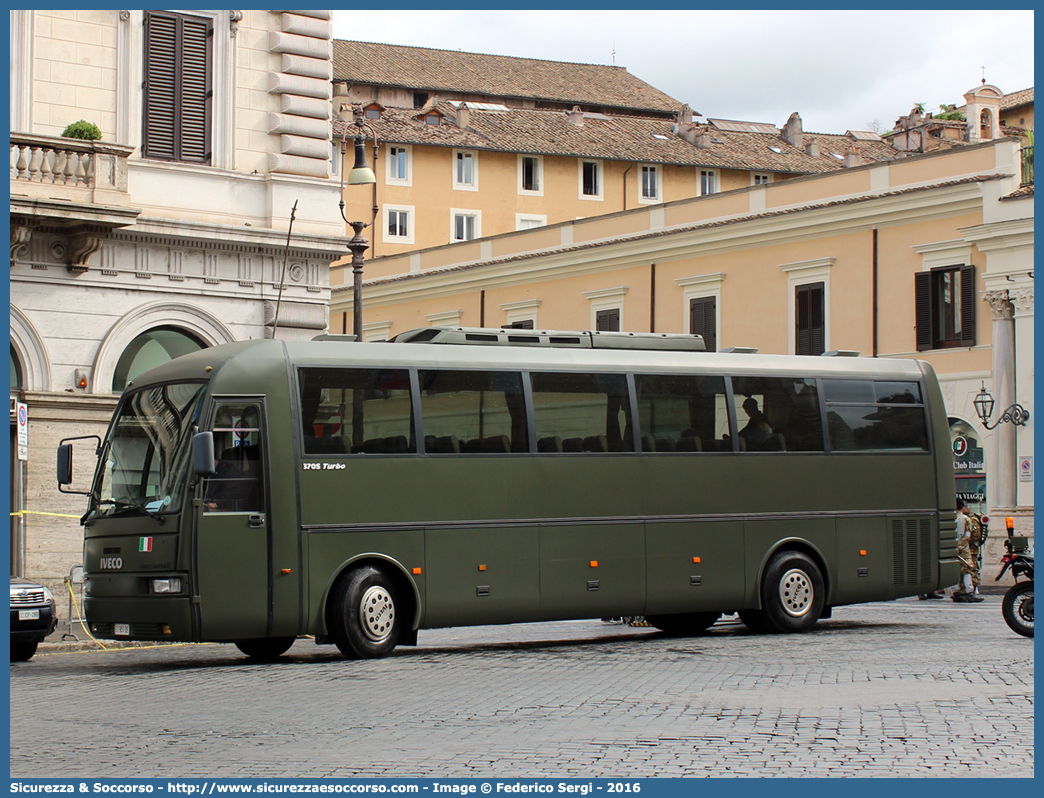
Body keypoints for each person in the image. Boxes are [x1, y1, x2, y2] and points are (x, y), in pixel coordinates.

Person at [952, 499, 985, 603]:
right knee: (967, 570)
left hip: (951, 547)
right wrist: (961, 547)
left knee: (954, 570)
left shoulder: (949, 518)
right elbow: (968, 536)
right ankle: (969, 591)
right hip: (964, 548)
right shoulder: (966, 519)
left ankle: (956, 591)